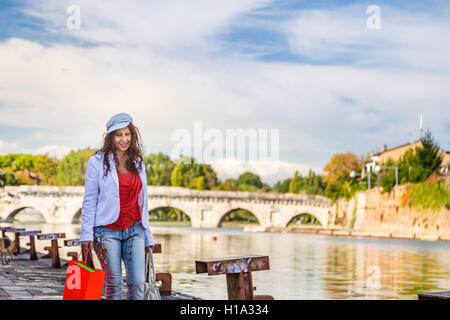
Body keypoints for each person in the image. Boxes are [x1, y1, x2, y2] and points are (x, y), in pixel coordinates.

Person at [80, 112, 154, 300]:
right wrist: (86, 233)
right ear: (110, 137)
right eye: (118, 135)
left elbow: (143, 201)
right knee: (114, 284)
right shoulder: (96, 162)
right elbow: (90, 200)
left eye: (127, 134)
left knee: (137, 282)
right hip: (106, 231)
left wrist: (148, 235)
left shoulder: (138, 162)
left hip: (135, 228)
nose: (124, 139)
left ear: (133, 135)